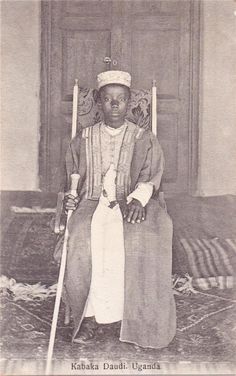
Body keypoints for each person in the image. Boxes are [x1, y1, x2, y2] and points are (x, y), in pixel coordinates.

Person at [55, 70, 176, 349]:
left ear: (129, 102)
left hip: (131, 200)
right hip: (91, 201)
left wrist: (138, 199)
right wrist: (70, 199)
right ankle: (88, 316)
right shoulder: (83, 138)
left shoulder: (143, 137)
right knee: (84, 239)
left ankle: (135, 317)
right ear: (99, 102)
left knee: (141, 236)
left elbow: (151, 176)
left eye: (120, 99)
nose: (114, 105)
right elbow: (70, 180)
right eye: (108, 99)